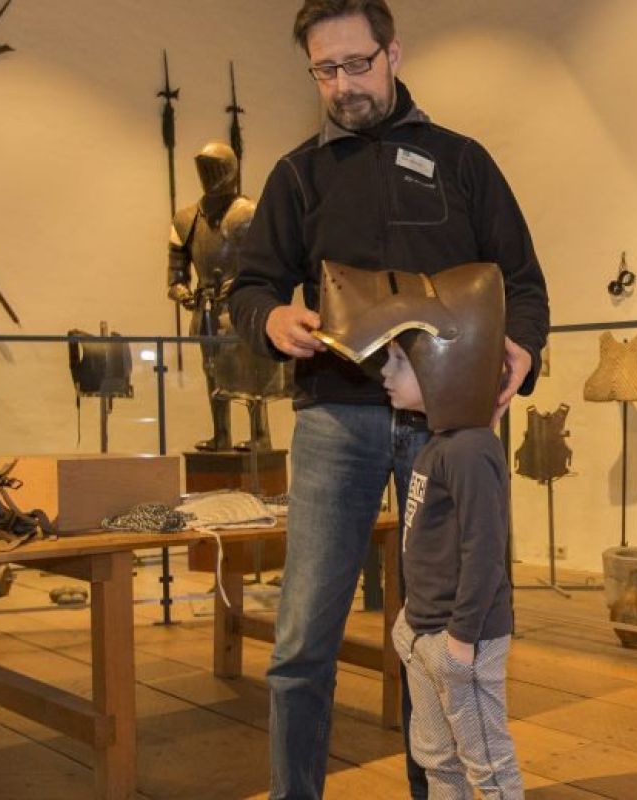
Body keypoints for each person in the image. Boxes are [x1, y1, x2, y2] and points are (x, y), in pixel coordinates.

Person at [225, 1, 549, 797]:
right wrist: (269, 317)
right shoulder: (296, 174)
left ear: (393, 52)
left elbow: (523, 284)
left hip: (447, 424)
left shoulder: (464, 162)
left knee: (433, 633)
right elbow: (249, 286)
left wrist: (524, 347)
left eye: (357, 63)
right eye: (325, 70)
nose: (343, 84)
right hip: (335, 418)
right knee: (303, 637)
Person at [374, 262, 521, 800]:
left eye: (397, 362)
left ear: (441, 363)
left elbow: (486, 551)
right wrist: (410, 624)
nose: (385, 375)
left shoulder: (470, 448)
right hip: (425, 632)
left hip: (466, 638)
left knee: (487, 765)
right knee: (437, 759)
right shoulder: (439, 443)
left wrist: (460, 637)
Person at [168, 142, 290, 452]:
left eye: (216, 168)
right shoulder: (186, 219)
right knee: (212, 372)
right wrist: (182, 292)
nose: (210, 176)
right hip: (205, 306)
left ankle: (259, 434)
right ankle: (220, 434)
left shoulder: (246, 213)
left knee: (251, 370)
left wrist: (239, 282)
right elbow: (176, 273)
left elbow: (264, 262)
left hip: (241, 305)